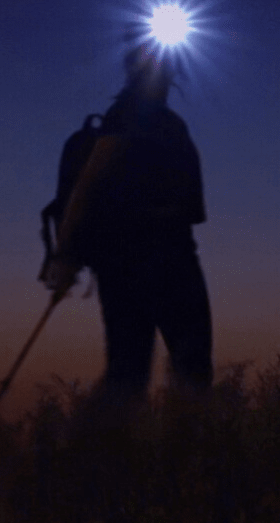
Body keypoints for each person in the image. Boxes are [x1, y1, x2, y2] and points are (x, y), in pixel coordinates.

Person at [41, 41, 212, 404]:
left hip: (162, 257)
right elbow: (88, 185)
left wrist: (66, 253)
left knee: (147, 369)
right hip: (139, 261)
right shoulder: (128, 116)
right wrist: (65, 254)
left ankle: (151, 450)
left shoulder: (165, 122)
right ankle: (111, 450)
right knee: (148, 370)